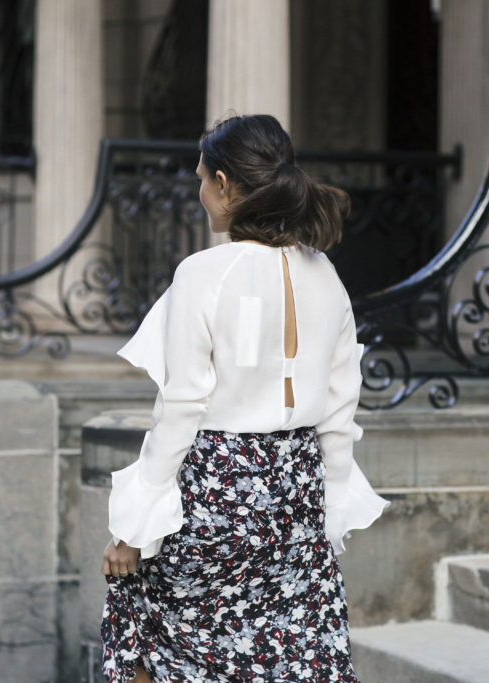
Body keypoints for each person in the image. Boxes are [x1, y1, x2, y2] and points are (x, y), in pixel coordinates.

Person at [100, 114, 389, 683]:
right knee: (292, 653)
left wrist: (131, 529)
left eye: (202, 178)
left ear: (227, 184)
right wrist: (328, 506)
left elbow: (182, 406)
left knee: (153, 631)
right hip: (296, 490)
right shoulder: (325, 272)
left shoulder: (203, 273)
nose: (199, 191)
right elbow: (340, 405)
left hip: (217, 489)